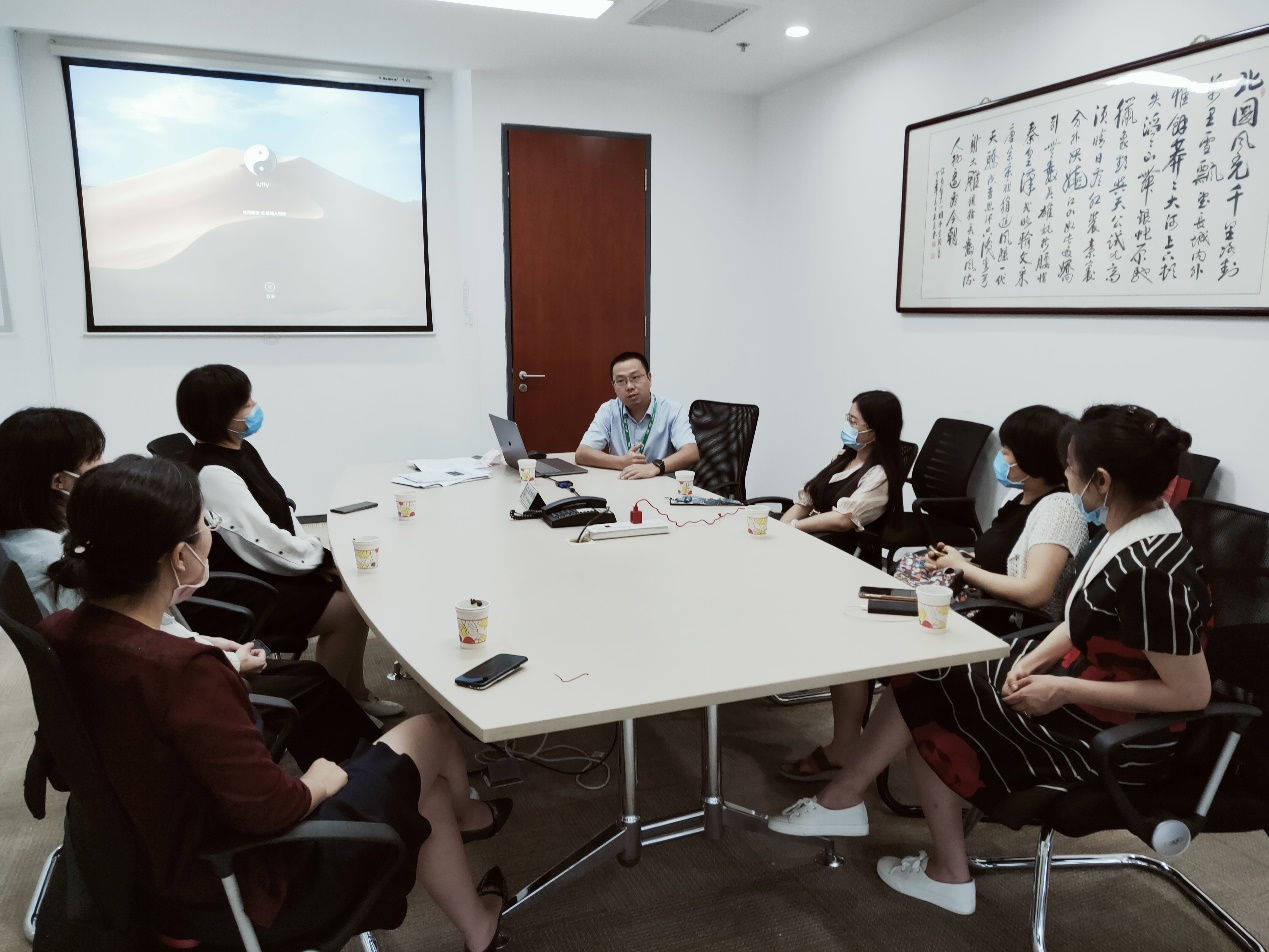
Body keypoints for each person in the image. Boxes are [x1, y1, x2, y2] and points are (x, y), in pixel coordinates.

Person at [42, 456, 513, 951]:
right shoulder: (185, 672)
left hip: (152, 863)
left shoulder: (65, 632)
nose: (211, 536)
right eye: (207, 526)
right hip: (241, 879)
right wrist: (317, 781)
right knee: (432, 729)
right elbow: (269, 810)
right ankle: (468, 818)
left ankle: (478, 925)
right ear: (181, 557)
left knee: (423, 785)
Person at [767, 404, 1211, 917]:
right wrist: (1035, 659)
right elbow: (1083, 619)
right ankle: (855, 807)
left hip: (1117, 739)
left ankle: (926, 858)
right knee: (928, 672)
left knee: (932, 703)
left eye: (1071, 467)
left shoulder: (1153, 571)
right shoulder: (1128, 529)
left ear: (1103, 480)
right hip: (1081, 687)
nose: (1066, 477)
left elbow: (1190, 694)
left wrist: (1062, 688)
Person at [0, 408, 382, 769]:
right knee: (311, 688)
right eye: (94, 459)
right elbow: (127, 652)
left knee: (307, 676)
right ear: (59, 481)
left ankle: (361, 765)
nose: (104, 466)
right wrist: (225, 661)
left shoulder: (30, 544)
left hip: (160, 673)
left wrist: (204, 643)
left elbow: (131, 634)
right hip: (164, 697)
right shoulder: (60, 563)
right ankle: (365, 776)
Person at [781, 405, 1087, 782]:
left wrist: (963, 567)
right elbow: (1001, 562)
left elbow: (1035, 592)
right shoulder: (1021, 501)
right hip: (973, 604)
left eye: (1006, 452)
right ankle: (847, 746)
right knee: (856, 612)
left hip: (999, 625)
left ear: (1032, 460)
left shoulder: (1058, 508)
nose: (1000, 458)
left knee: (860, 635)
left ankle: (847, 752)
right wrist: (956, 560)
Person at [176, 364, 400, 718]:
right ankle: (334, 709)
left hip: (265, 569)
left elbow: (280, 508)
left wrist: (316, 555)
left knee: (349, 588)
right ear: (220, 416)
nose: (254, 407)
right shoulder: (214, 473)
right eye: (245, 403)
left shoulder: (241, 449)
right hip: (244, 587)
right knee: (349, 609)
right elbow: (262, 544)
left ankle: (354, 692)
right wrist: (319, 560)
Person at [771, 391, 905, 779]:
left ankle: (845, 746)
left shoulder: (880, 474)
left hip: (849, 568)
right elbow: (807, 498)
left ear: (875, 430)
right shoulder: (845, 458)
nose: (847, 427)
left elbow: (844, 520)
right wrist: (779, 530)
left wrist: (795, 529)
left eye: (854, 422)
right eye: (847, 419)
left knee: (845, 652)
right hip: (815, 554)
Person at [576, 351, 699, 479]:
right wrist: (621, 462)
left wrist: (654, 467)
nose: (629, 386)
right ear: (613, 386)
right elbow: (582, 453)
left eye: (635, 378)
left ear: (649, 378)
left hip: (661, 486)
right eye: (621, 381)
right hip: (623, 483)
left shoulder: (672, 410)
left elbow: (691, 452)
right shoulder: (609, 410)